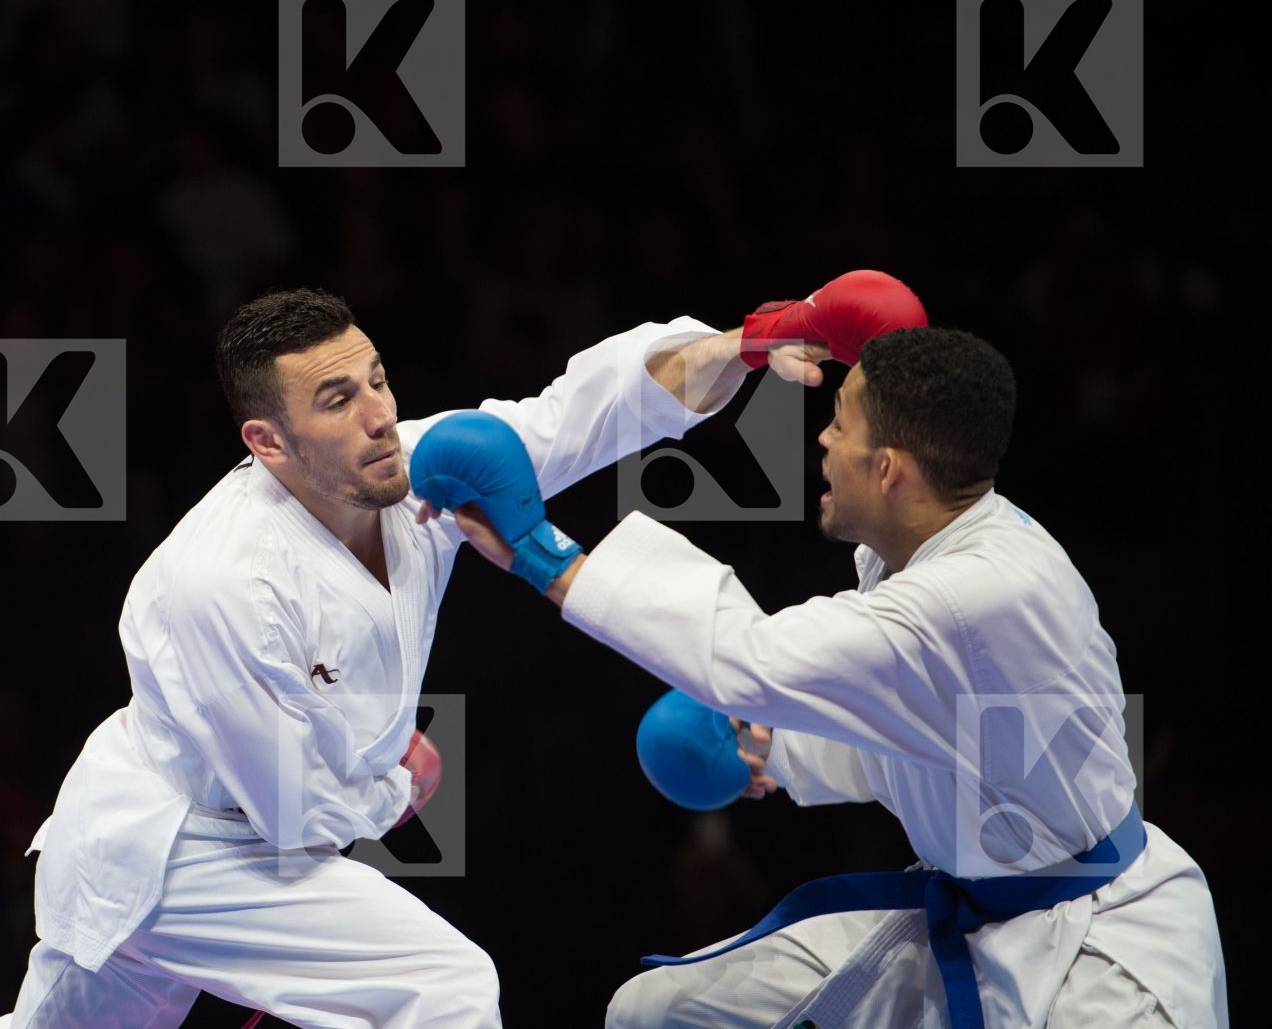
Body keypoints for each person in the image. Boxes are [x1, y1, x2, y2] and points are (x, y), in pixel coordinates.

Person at [0, 279, 919, 1029]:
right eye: (337, 400)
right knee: (443, 989)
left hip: (196, 839)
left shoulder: (421, 470)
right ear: (266, 442)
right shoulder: (220, 583)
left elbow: (582, 414)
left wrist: (742, 344)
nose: (378, 416)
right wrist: (396, 778)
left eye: (377, 381)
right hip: (178, 847)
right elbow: (293, 814)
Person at [415, 324, 1228, 1028]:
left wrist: (544, 555)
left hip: (1099, 958)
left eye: (840, 423)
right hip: (975, 917)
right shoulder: (922, 555)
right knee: (655, 1012)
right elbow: (933, 738)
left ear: (890, 469)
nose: (822, 442)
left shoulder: (975, 594)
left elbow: (753, 661)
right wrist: (776, 752)